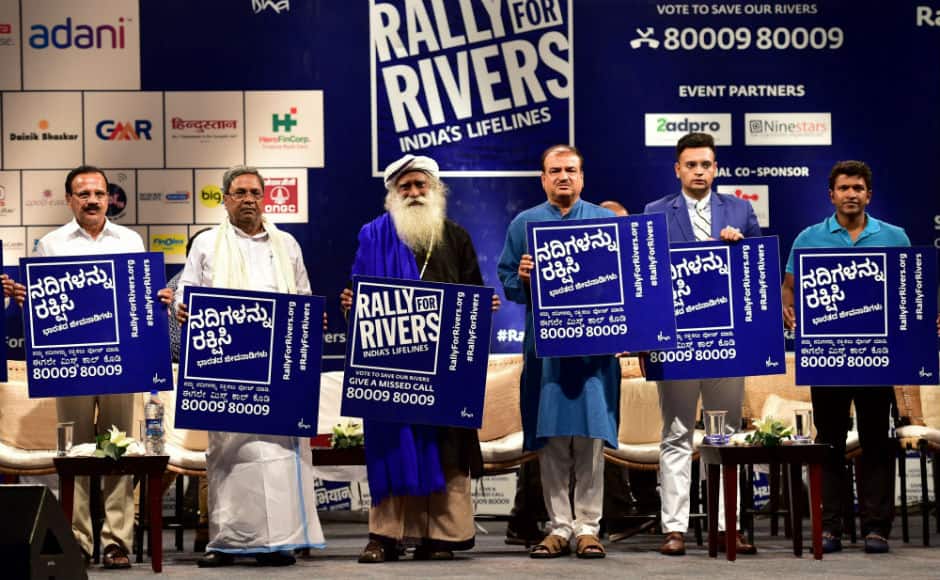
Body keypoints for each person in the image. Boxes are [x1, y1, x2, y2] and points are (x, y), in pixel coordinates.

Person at [340, 153, 497, 563]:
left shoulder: (456, 236)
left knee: (445, 445)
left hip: (444, 370)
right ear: (393, 194)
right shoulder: (373, 237)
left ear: (435, 189)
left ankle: (442, 536)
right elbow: (360, 299)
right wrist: (350, 305)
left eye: (420, 185)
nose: (413, 193)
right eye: (404, 187)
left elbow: (473, 295)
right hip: (391, 365)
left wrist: (483, 309)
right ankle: (385, 535)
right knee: (394, 443)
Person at [13, 165, 172, 568]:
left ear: (109, 198)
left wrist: (161, 298)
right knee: (77, 453)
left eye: (99, 193)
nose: (92, 200)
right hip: (73, 364)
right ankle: (79, 541)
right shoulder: (51, 245)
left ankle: (117, 541)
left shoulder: (131, 240)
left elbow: (141, 295)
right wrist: (28, 299)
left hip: (125, 363)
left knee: (121, 450)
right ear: (69, 200)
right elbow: (48, 308)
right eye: (83, 194)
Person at [176, 165, 325, 567]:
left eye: (255, 192)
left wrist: (311, 321)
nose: (248, 199)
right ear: (224, 199)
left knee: (279, 455)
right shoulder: (206, 244)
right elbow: (186, 295)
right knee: (229, 454)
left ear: (265, 198)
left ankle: (280, 543)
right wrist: (181, 308)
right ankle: (228, 542)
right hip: (228, 366)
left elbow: (304, 295)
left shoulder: (287, 244)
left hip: (279, 371)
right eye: (239, 192)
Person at [497, 144, 619, 559]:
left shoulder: (605, 221)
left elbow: (628, 281)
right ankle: (558, 527)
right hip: (546, 351)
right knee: (550, 441)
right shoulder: (524, 223)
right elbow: (507, 278)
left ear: (582, 177)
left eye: (571, 170)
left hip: (594, 351)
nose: (563, 177)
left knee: (590, 438)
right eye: (555, 171)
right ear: (543, 178)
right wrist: (525, 277)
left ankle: (588, 527)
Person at [781, 160, 908, 554]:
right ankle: (830, 526)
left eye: (858, 188)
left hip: (878, 360)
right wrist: (790, 309)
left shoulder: (895, 237)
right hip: (827, 359)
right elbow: (789, 288)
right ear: (831, 195)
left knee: (876, 442)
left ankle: (876, 528)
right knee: (830, 443)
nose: (851, 194)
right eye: (844, 188)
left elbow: (911, 292)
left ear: (869, 194)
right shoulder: (808, 239)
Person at [644, 132, 761, 556]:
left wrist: (740, 249)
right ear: (678, 169)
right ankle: (674, 528)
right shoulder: (655, 212)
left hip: (728, 340)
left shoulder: (741, 210)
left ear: (715, 169)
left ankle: (727, 527)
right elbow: (649, 278)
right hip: (677, 341)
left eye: (705, 164)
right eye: (690, 164)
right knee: (676, 434)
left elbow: (754, 276)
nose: (698, 171)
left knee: (724, 436)